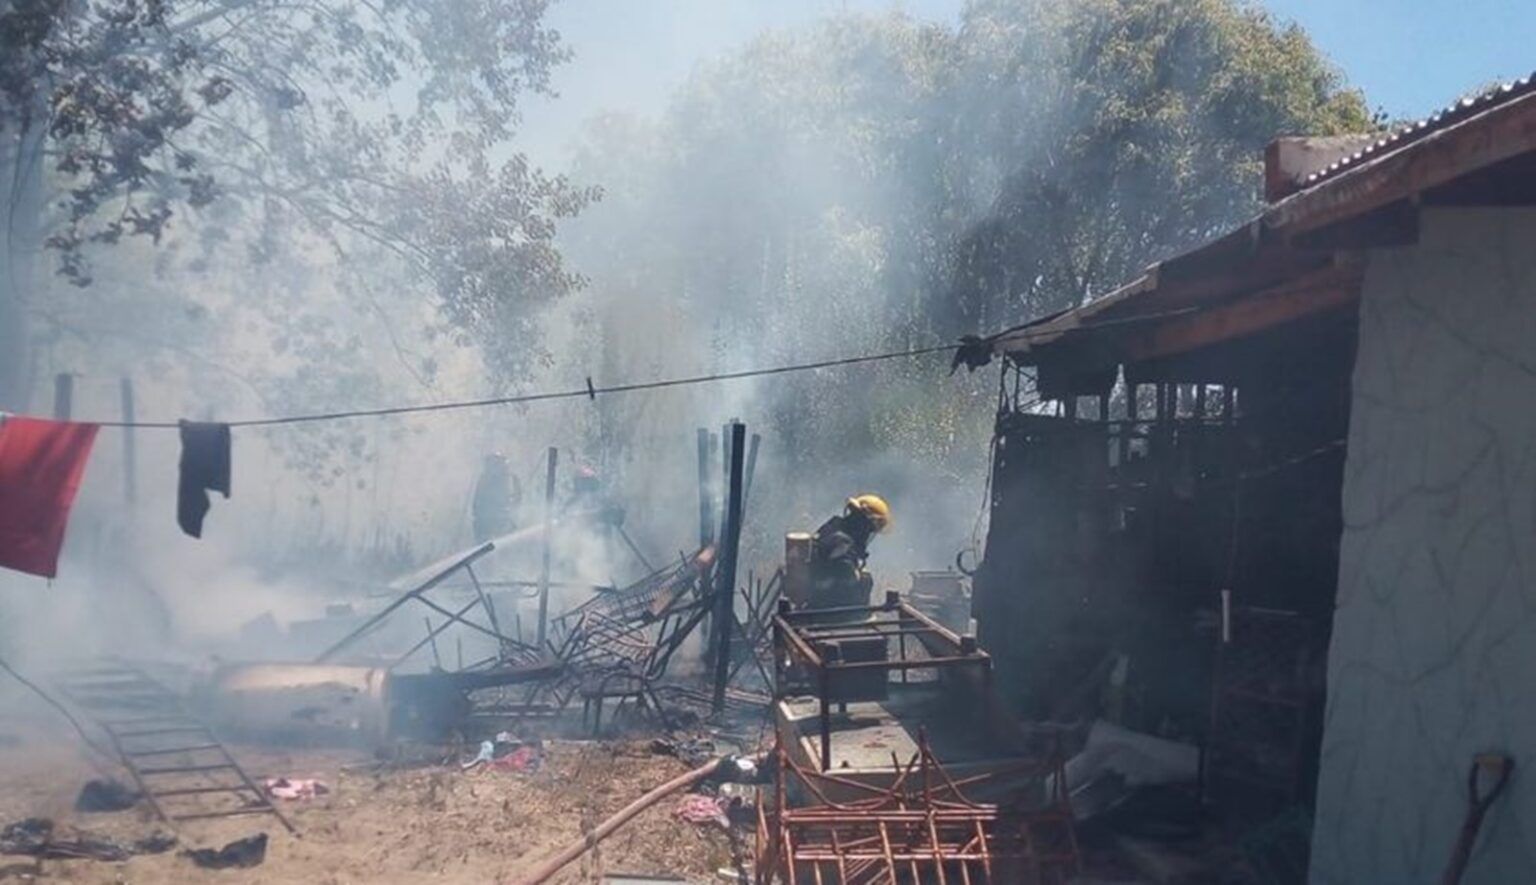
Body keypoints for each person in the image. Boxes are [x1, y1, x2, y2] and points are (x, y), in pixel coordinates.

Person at [808, 494, 891, 613]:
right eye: (870, 529)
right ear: (864, 524)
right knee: (865, 579)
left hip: (818, 598)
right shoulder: (842, 544)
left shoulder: (834, 526)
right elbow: (843, 573)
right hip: (830, 610)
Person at [471, 453, 517, 542]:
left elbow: (514, 499)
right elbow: (479, 503)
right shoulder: (485, 479)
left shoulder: (508, 479)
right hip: (486, 523)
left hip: (499, 522)